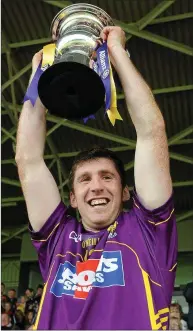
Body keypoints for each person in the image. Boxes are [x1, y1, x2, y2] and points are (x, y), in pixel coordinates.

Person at [15, 26, 178, 330]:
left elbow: (151, 132)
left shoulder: (149, 232)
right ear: (73, 198)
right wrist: (39, 78)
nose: (97, 186)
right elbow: (29, 160)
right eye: (85, 179)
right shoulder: (57, 239)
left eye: (107, 177)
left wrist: (115, 52)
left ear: (126, 192)